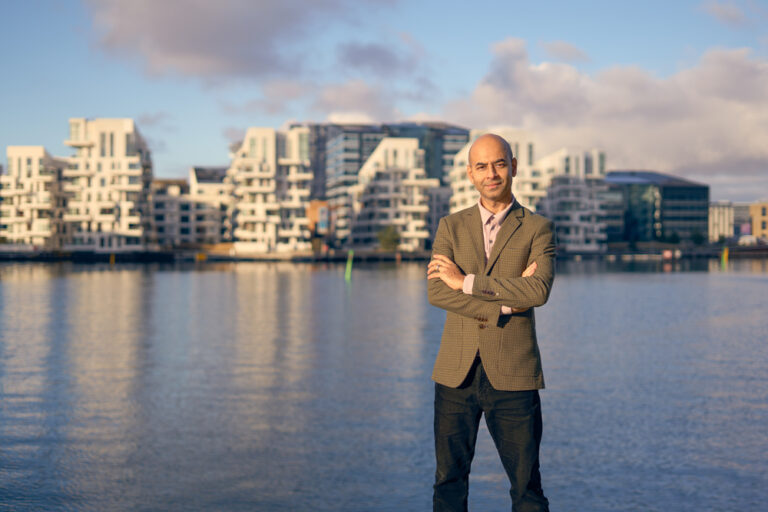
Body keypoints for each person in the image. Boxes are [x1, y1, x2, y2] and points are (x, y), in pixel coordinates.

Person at [427, 133, 555, 511]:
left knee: (526, 489)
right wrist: (503, 305)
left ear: (513, 167)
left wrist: (465, 282)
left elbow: (537, 291)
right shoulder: (449, 227)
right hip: (455, 375)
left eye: (499, 163)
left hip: (514, 375)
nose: (491, 173)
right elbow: (437, 293)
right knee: (448, 484)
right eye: (481, 166)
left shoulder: (538, 228)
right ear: (469, 174)